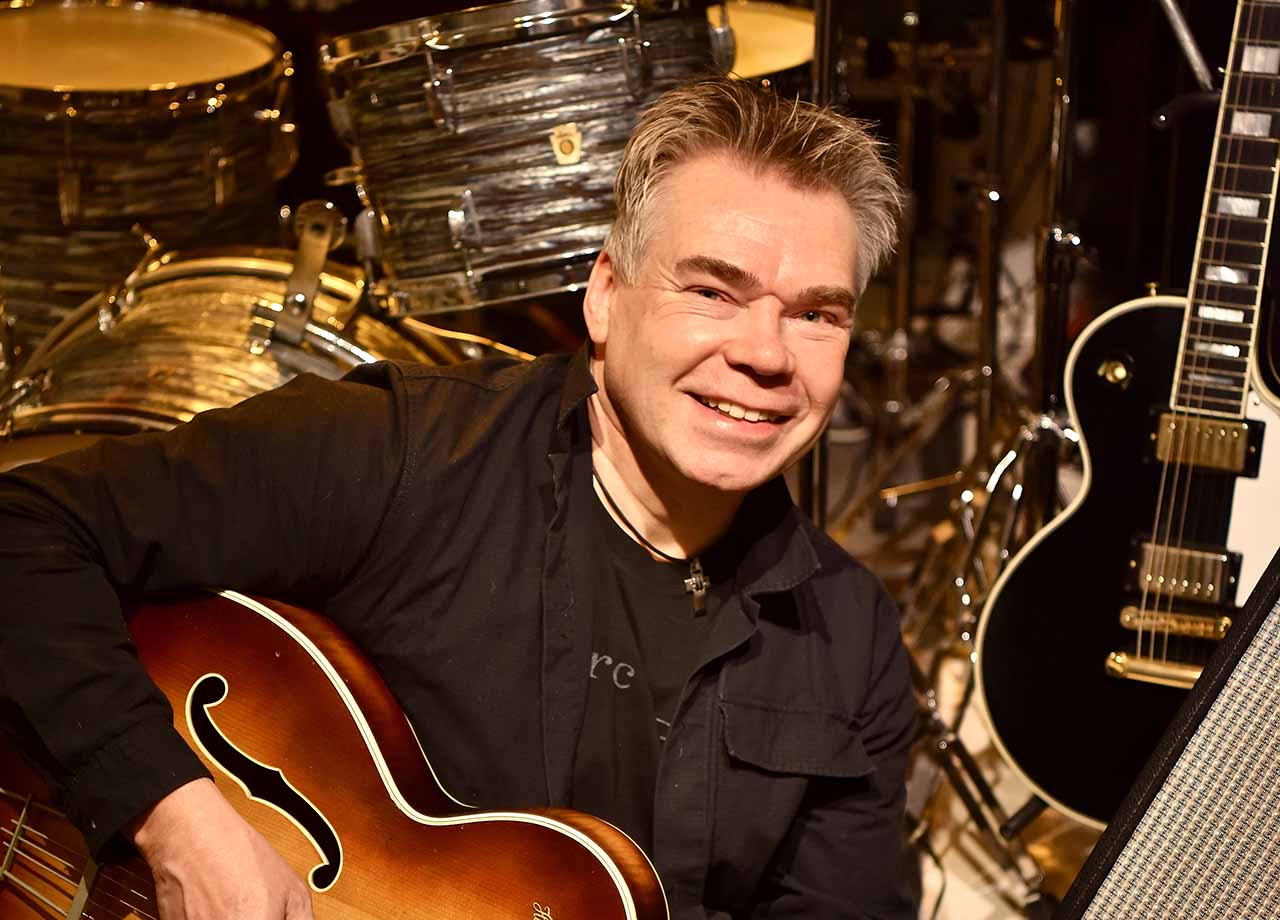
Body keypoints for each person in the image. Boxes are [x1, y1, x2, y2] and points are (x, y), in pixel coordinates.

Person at [0, 78, 917, 919]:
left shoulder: (848, 636)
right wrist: (174, 820)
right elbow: (23, 530)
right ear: (605, 295)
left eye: (816, 314)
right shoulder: (401, 453)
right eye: (714, 291)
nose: (765, 354)